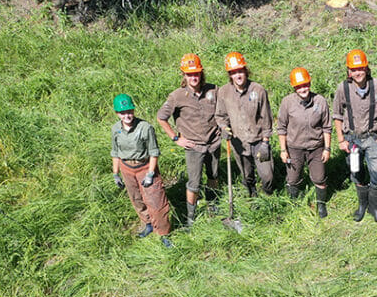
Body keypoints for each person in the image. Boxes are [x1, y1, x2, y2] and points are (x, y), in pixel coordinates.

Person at [157, 53, 221, 227]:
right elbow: (161, 117)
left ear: (201, 73)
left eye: (197, 73)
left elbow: (223, 111)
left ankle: (213, 205)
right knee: (194, 183)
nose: (194, 77)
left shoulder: (213, 90)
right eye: (190, 74)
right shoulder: (177, 96)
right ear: (184, 75)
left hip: (214, 142)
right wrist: (176, 138)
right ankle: (191, 218)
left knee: (214, 175)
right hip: (194, 146)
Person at [333, 49, 377, 224]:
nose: (357, 73)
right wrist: (341, 139)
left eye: (361, 68)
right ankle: (362, 206)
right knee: (356, 173)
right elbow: (337, 115)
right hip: (351, 140)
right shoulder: (343, 88)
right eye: (353, 69)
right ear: (348, 71)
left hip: (371, 137)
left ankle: (374, 209)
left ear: (366, 68)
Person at [111, 93, 172, 247]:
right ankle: (148, 223)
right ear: (117, 114)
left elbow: (154, 152)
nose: (127, 115)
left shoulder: (145, 128)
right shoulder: (115, 129)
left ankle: (164, 233)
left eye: (129, 111)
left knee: (156, 202)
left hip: (144, 167)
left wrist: (151, 173)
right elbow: (115, 152)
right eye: (123, 113)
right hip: (126, 168)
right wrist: (116, 174)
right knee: (136, 199)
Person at [214, 51, 274, 197]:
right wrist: (223, 128)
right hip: (238, 142)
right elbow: (220, 115)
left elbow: (266, 118)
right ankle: (252, 195)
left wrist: (265, 143)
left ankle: (268, 198)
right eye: (234, 72)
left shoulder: (258, 90)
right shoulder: (224, 92)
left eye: (240, 71)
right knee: (247, 175)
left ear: (245, 71)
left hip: (259, 141)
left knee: (267, 176)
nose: (238, 75)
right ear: (230, 74)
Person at [277, 67, 332, 217]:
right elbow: (281, 128)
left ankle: (321, 205)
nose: (303, 89)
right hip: (295, 147)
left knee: (320, 178)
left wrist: (327, 148)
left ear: (310, 83)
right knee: (293, 179)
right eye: (299, 86)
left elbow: (327, 126)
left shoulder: (320, 101)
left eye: (305, 84)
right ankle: (294, 203)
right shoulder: (287, 102)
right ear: (294, 87)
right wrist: (283, 150)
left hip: (316, 147)